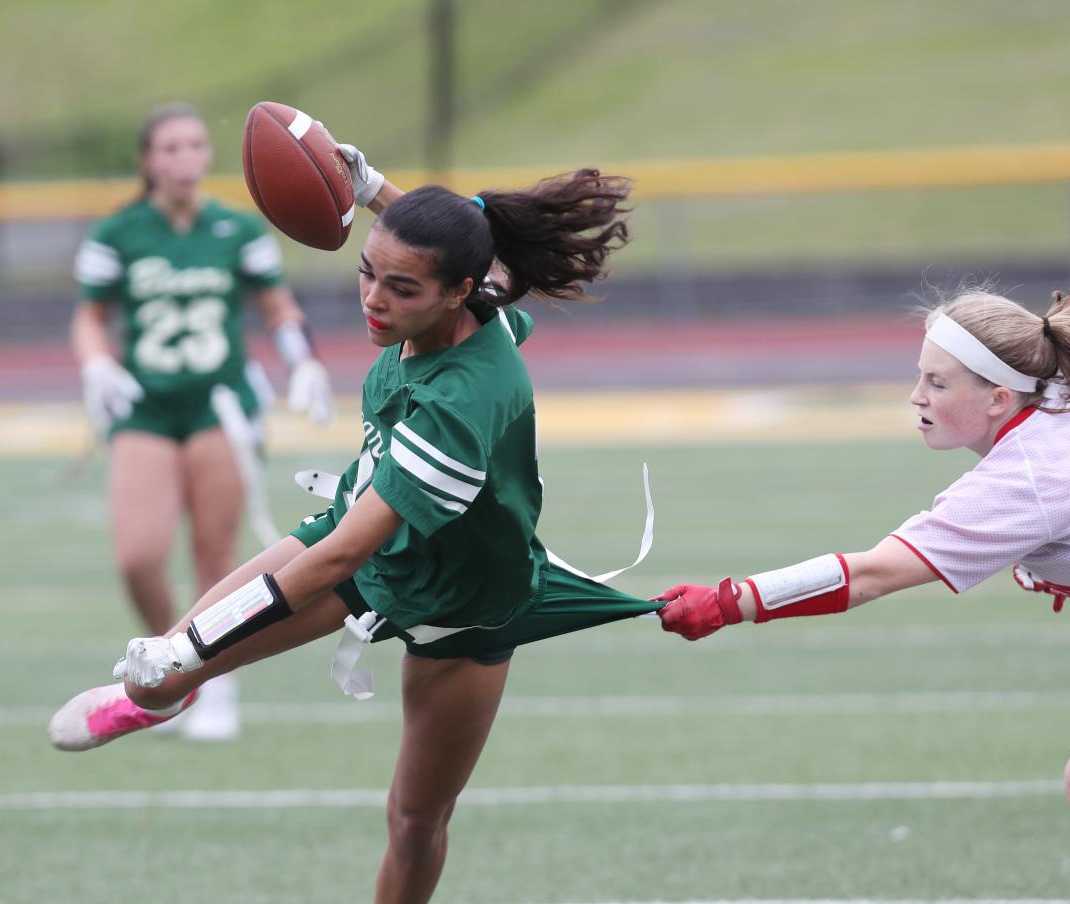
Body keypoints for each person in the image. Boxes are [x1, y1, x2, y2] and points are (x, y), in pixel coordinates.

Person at [50, 134, 659, 903]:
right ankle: (169, 696)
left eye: (401, 290)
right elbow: (433, 242)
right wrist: (371, 188)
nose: (374, 300)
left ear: (455, 292)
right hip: (367, 528)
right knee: (168, 667)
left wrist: (198, 640)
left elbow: (340, 559)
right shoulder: (471, 294)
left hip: (458, 604)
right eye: (368, 273)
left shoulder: (462, 399)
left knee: (413, 819)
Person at [655, 256, 1070, 904]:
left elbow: (867, 576)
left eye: (938, 384)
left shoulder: (1029, 473)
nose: (916, 398)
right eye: (919, 377)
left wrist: (730, 602)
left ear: (1000, 398)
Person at [70, 102, 334, 741]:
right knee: (138, 555)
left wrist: (301, 359)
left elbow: (276, 307)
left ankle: (207, 677)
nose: (185, 159)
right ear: (147, 161)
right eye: (170, 148)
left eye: (194, 145)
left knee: (216, 560)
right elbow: (89, 316)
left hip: (221, 404)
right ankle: (166, 663)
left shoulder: (238, 231)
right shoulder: (117, 234)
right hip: (148, 405)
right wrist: (95, 366)